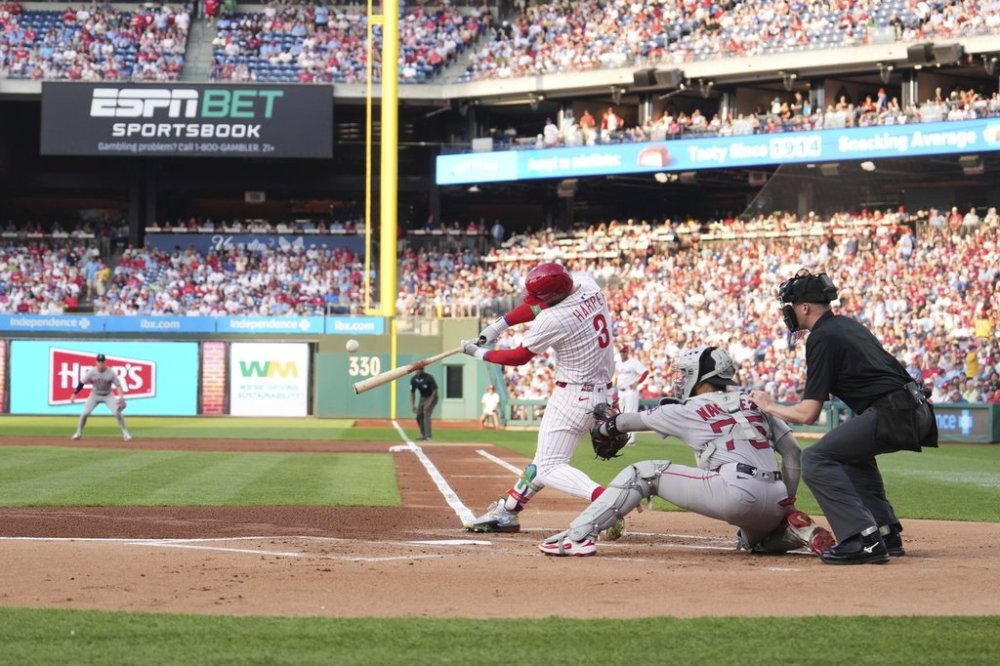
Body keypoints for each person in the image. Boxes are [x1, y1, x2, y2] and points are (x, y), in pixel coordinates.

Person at [538, 346, 834, 558]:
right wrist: (787, 504)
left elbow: (629, 421)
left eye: (685, 373)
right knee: (753, 543)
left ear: (702, 378)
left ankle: (578, 536)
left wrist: (606, 427)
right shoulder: (754, 402)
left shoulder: (688, 408)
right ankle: (797, 531)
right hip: (776, 496)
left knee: (643, 472)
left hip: (736, 491)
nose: (681, 379)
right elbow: (793, 453)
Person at [749, 270, 937, 565]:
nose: (787, 312)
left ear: (805, 308)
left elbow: (808, 413)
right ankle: (886, 533)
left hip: (894, 411)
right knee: (848, 456)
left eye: (790, 306)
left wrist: (769, 405)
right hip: (915, 407)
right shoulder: (847, 326)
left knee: (816, 459)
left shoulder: (821, 338)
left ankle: (862, 539)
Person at [461, 262, 616, 533]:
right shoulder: (587, 283)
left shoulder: (554, 318)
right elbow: (537, 306)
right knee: (545, 457)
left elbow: (520, 356)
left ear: (554, 296)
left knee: (549, 467)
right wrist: (498, 327)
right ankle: (508, 510)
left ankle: (607, 500)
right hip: (602, 393)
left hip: (573, 395)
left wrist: (478, 353)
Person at [71, 353, 132, 442]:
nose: (100, 363)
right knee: (85, 413)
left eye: (102, 361)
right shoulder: (92, 372)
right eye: (99, 361)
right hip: (95, 395)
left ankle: (126, 433)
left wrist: (122, 398)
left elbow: (118, 386)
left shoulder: (110, 372)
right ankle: (78, 433)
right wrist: (75, 393)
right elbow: (82, 383)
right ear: (96, 362)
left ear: (105, 362)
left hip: (108, 395)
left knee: (117, 412)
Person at [614, 345, 648, 446]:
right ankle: (623, 437)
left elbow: (645, 372)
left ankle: (631, 439)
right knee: (622, 414)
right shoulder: (618, 364)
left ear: (627, 353)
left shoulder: (633, 362)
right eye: (621, 352)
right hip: (621, 391)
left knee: (631, 414)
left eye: (624, 352)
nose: (622, 353)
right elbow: (618, 377)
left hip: (630, 391)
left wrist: (638, 382)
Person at [409, 365, 438, 441]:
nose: (419, 371)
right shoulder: (414, 379)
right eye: (417, 369)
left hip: (432, 397)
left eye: (421, 369)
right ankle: (424, 435)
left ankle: (428, 436)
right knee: (418, 416)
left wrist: (429, 403)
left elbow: (434, 391)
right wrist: (413, 405)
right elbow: (412, 393)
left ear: (423, 370)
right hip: (423, 398)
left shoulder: (428, 378)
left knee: (426, 413)